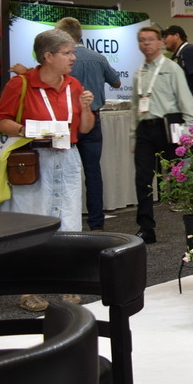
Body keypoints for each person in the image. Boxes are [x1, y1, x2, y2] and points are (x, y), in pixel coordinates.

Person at [0, 29, 96, 311]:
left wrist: (86, 108)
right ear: (47, 56)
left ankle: (68, 283)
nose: (73, 58)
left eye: (72, 52)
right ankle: (29, 289)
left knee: (69, 221)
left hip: (67, 157)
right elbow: (0, 120)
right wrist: (27, 130)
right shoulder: (21, 84)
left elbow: (85, 128)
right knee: (31, 224)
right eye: (67, 53)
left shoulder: (74, 84)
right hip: (34, 160)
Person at [131, 26, 193, 244]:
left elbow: (186, 101)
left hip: (168, 127)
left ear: (160, 42)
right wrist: (133, 136)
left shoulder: (171, 68)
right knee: (143, 178)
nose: (146, 43)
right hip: (144, 128)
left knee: (181, 177)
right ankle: (146, 227)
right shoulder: (139, 72)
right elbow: (135, 106)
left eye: (151, 39)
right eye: (142, 40)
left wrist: (190, 132)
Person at [55, 17, 122, 231]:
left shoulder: (59, 61)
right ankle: (96, 223)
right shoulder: (98, 57)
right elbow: (117, 82)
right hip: (93, 119)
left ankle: (65, 222)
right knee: (93, 172)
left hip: (67, 122)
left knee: (64, 171)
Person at [163, 25, 193, 117]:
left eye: (166, 37)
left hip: (191, 108)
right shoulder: (176, 56)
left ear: (176, 35)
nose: (164, 41)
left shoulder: (189, 50)